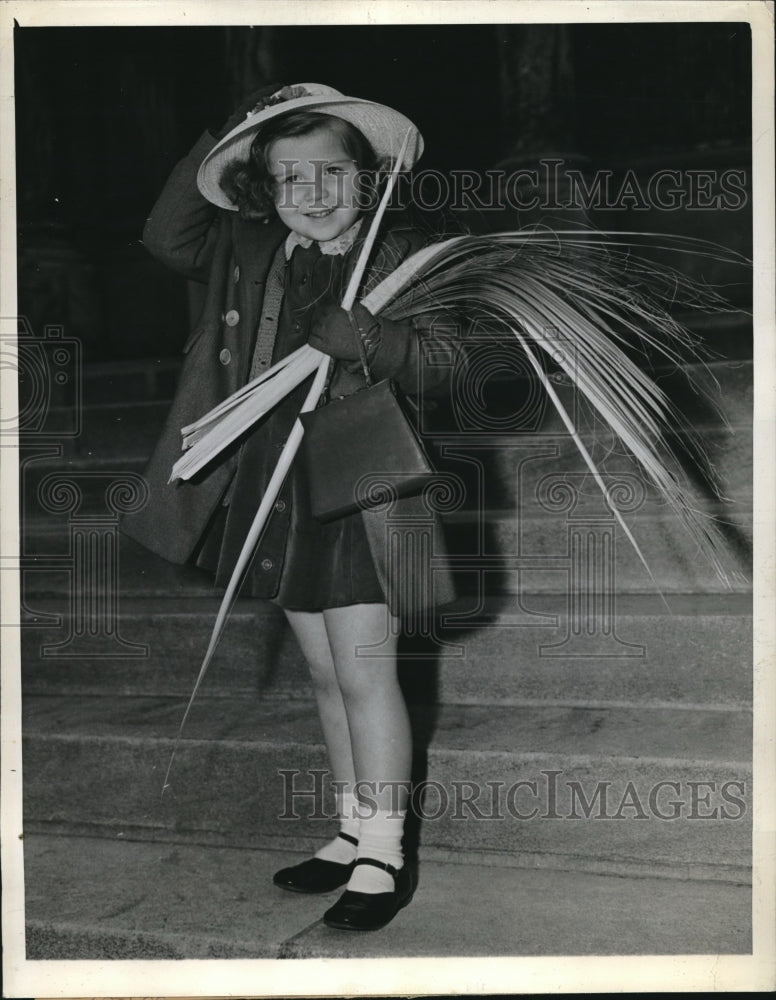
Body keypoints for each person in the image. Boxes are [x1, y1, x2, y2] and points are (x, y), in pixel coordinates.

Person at [121, 83, 461, 931]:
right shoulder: (254, 251)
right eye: (287, 178)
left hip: (364, 488)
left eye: (330, 173)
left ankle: (384, 850)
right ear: (262, 193)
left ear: (368, 177)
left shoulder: (403, 252)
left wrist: (378, 343)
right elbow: (167, 236)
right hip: (273, 484)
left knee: (365, 672)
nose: (311, 195)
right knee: (321, 671)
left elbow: (458, 364)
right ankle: (350, 832)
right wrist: (233, 126)